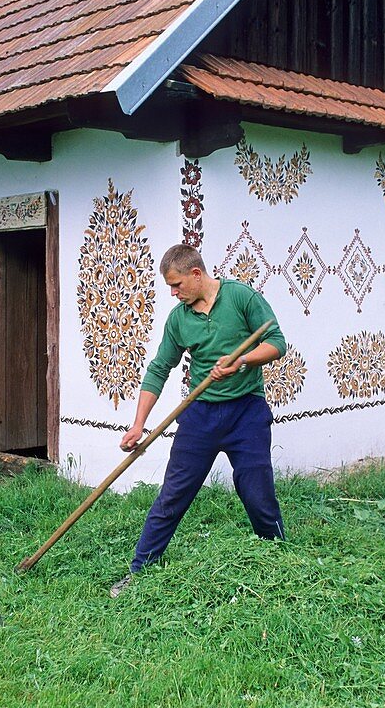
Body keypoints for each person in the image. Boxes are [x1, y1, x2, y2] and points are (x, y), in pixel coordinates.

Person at [109, 244, 287, 598]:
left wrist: (242, 361)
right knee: (173, 495)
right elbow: (160, 368)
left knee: (257, 492)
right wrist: (137, 424)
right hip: (199, 414)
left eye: (176, 285)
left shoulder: (241, 298)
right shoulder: (179, 318)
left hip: (246, 413)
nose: (173, 293)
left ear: (196, 273)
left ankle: (280, 561)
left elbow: (277, 342)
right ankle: (139, 572)